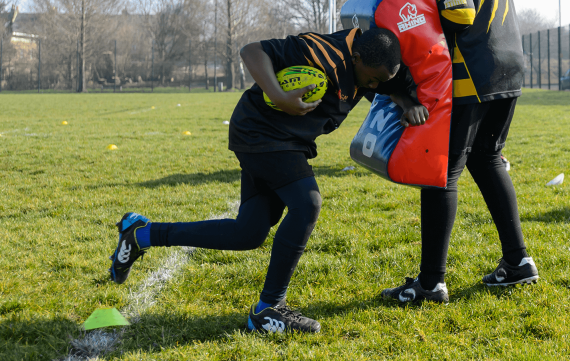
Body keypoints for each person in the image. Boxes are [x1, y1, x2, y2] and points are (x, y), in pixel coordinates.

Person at [109, 27, 426, 333]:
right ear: (356, 58)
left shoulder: (372, 67)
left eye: (379, 81)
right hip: (260, 132)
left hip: (285, 140)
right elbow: (251, 51)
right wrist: (279, 95)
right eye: (371, 78)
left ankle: (141, 234)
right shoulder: (320, 51)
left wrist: (409, 102)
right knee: (307, 204)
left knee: (248, 233)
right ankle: (268, 308)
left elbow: (388, 85)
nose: (373, 86)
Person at [382, 0, 539, 304]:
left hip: (470, 71)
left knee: (440, 172)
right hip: (507, 63)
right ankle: (518, 262)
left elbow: (460, 13)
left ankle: (430, 283)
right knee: (486, 157)